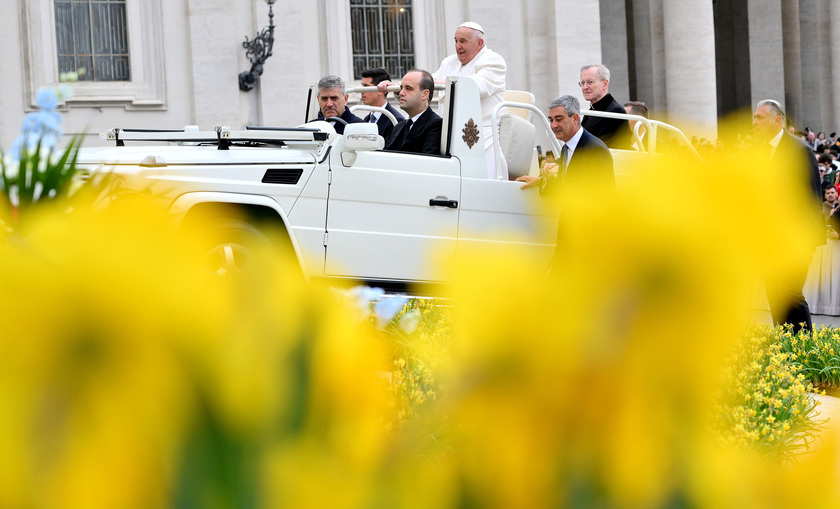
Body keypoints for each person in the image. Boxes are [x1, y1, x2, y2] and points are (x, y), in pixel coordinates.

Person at [752, 99, 824, 334]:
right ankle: (784, 348)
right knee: (775, 295)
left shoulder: (799, 150)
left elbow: (813, 196)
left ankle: (805, 350)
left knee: (791, 294)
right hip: (767, 240)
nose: (754, 123)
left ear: (777, 120)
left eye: (759, 118)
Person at [432, 21, 508, 179]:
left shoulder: (494, 60)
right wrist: (403, 86)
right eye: (456, 41)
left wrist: (443, 83)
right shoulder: (449, 62)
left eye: (463, 41)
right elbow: (428, 83)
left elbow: (474, 86)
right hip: (447, 132)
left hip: (482, 133)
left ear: (479, 43)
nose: (457, 46)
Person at [516, 95, 614, 191]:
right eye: (551, 120)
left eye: (559, 119)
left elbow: (602, 195)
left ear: (575, 118)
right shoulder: (567, 148)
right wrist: (540, 181)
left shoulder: (596, 150)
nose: (553, 125)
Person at [383, 69, 442, 155]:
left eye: (408, 88)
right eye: (401, 88)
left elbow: (427, 163)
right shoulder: (399, 127)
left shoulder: (436, 125)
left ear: (425, 94)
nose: (401, 93)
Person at [579, 64, 632, 150]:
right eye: (582, 83)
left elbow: (599, 149)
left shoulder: (614, 112)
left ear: (605, 84)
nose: (585, 87)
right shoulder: (592, 111)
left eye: (590, 82)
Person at [359, 67, 404, 139]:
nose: (361, 90)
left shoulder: (395, 120)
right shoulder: (367, 119)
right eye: (362, 85)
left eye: (366, 86)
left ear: (380, 90)